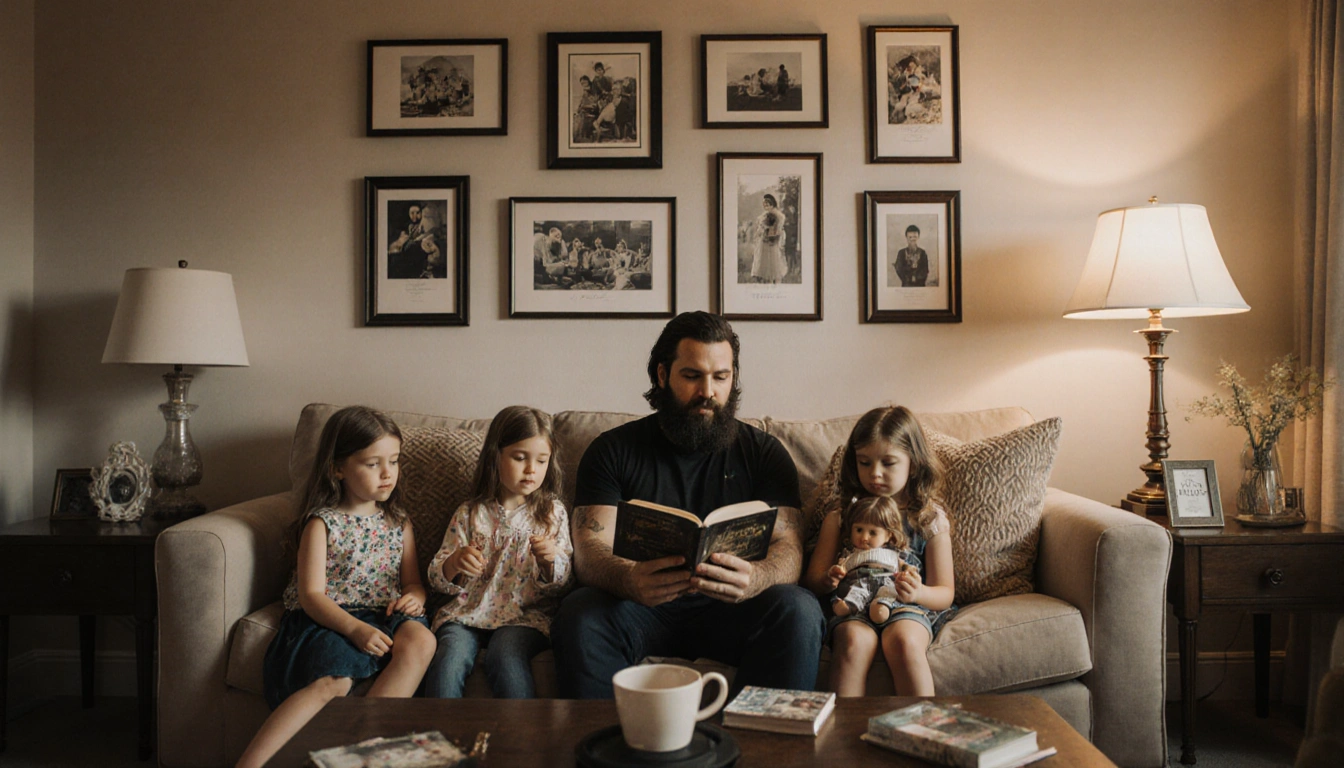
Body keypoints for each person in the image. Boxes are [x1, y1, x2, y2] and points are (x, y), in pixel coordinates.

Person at [552, 311, 825, 699]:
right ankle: (608, 748)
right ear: (663, 376)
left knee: (799, 609)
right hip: (642, 607)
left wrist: (756, 579)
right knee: (579, 612)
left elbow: (790, 547)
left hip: (733, 608)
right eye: (692, 376)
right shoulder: (612, 451)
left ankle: (768, 749)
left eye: (721, 377)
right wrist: (629, 579)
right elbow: (589, 550)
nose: (708, 392)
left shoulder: (764, 454)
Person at [237, 407, 435, 768]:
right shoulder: (322, 523)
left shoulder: (399, 521)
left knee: (423, 640)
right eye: (373, 464)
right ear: (337, 468)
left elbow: (413, 582)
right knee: (335, 679)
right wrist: (355, 629)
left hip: (385, 613)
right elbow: (311, 596)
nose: (388, 473)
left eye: (394, 461)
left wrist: (416, 598)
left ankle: (359, 751)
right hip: (330, 616)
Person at [802, 406, 956, 698]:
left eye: (888, 463)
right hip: (853, 604)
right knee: (851, 642)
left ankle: (924, 731)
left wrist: (918, 592)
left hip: (908, 606)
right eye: (864, 462)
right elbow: (812, 579)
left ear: (914, 462)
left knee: (905, 642)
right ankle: (844, 738)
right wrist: (828, 580)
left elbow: (945, 592)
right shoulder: (841, 514)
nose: (874, 474)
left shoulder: (928, 518)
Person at [424, 406, 573, 699]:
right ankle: (439, 735)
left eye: (541, 460)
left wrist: (549, 560)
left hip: (523, 616)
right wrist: (454, 563)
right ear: (496, 457)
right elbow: (435, 575)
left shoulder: (552, 513)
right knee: (448, 658)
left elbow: (563, 581)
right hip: (467, 613)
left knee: (505, 658)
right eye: (520, 458)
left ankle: (520, 737)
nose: (531, 469)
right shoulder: (471, 512)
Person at [828, 495, 912, 623]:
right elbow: (842, 567)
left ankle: (881, 607)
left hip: (886, 579)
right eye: (859, 530)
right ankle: (849, 606)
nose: (864, 537)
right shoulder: (851, 554)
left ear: (888, 535)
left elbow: (904, 565)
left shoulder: (893, 554)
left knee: (888, 592)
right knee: (857, 591)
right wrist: (836, 572)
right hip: (861, 579)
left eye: (873, 533)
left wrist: (908, 570)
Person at [751, 194, 787, 283]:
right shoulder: (764, 216)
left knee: (773, 261)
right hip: (764, 241)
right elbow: (760, 228)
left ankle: (772, 280)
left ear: (772, 204)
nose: (765, 206)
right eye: (764, 205)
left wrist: (772, 233)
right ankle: (765, 279)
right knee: (764, 261)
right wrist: (762, 231)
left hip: (772, 241)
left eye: (767, 204)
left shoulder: (778, 215)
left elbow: (779, 229)